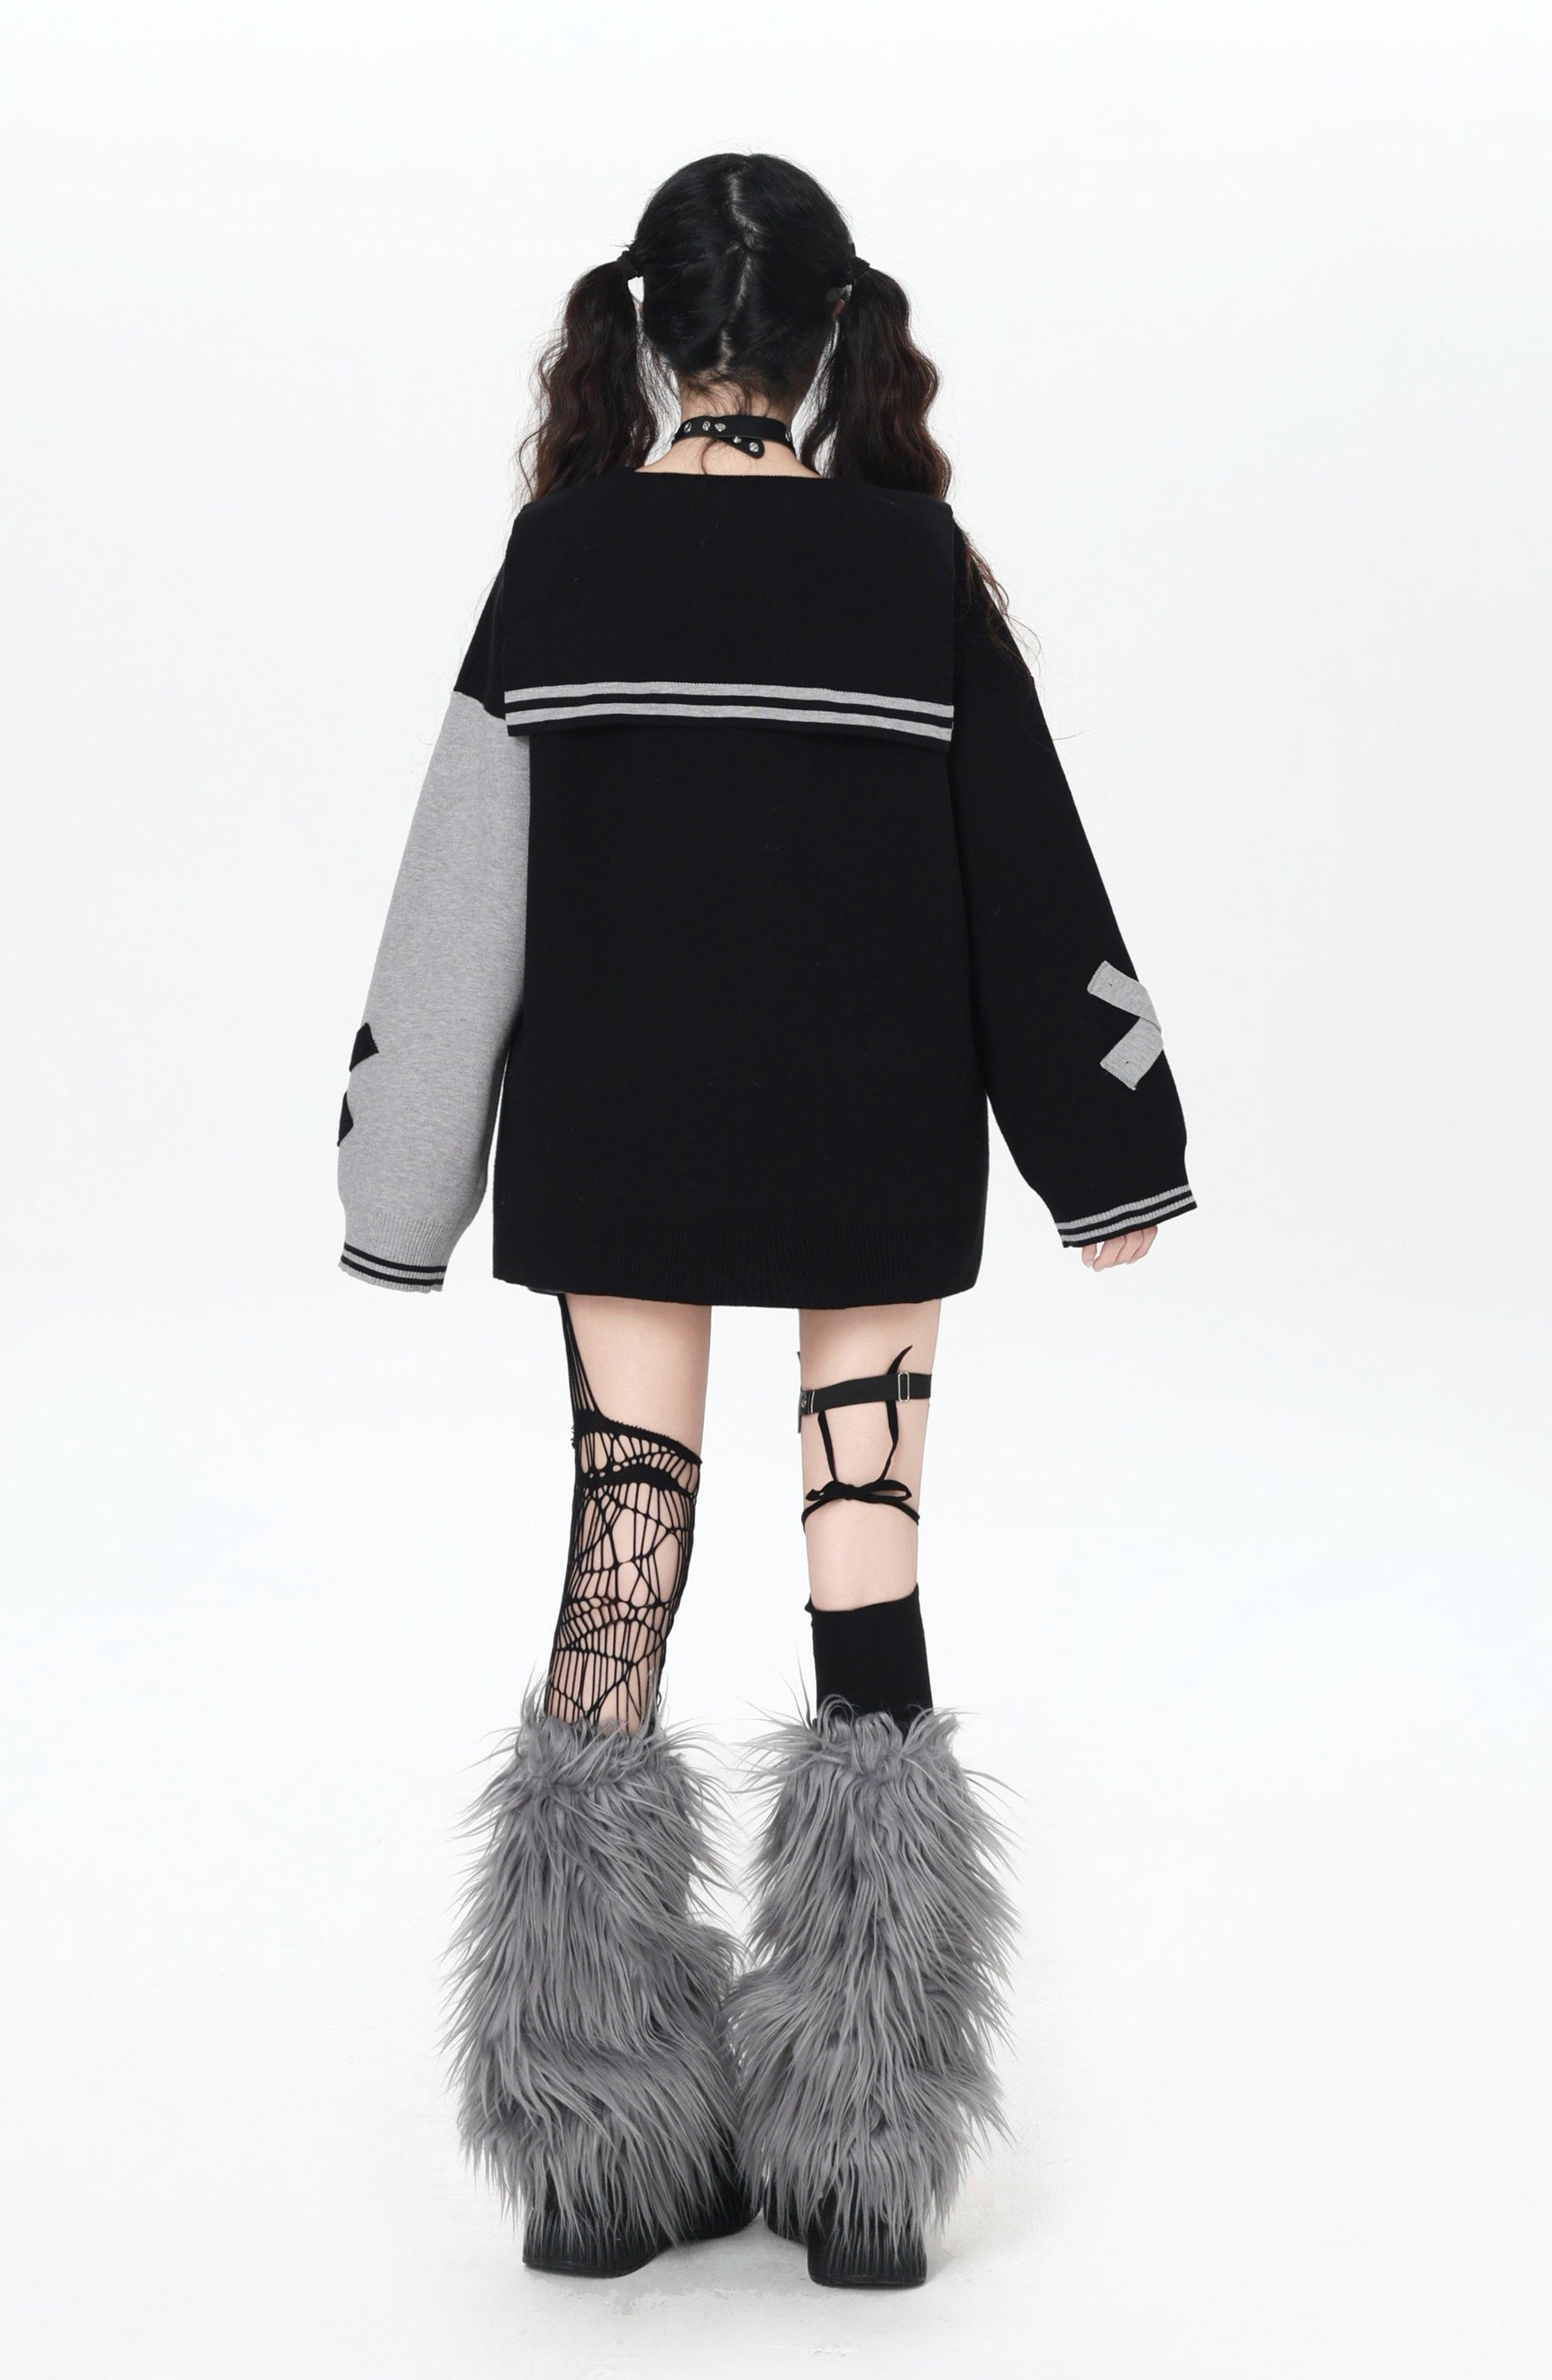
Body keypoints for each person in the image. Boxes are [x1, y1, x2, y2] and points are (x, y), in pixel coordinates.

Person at [334, 152, 1196, 2290]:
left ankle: (589, 2156)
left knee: (617, 1559)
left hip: (621, 1141)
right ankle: (868, 2156)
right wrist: (1110, 1150)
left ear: (647, 332)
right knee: (864, 1576)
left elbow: (459, 888)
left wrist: (397, 1183)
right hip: (863, 1141)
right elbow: (1031, 870)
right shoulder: (913, 574)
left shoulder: (561, 560)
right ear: (828, 341)